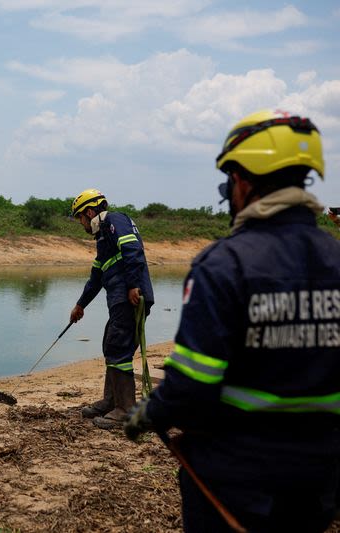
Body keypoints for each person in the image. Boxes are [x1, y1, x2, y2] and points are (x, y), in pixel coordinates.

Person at [125, 110, 340, 532]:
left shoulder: (224, 265)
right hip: (320, 483)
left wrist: (149, 413)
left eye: (230, 180)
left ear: (242, 182)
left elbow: (192, 384)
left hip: (235, 484)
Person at [69, 189, 154, 429]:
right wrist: (80, 305)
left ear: (89, 212)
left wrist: (134, 285)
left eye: (81, 219)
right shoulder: (103, 238)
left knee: (119, 348)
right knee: (112, 344)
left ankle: (125, 410)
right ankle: (111, 402)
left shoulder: (115, 220)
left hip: (130, 298)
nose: (82, 224)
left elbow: (133, 251)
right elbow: (96, 278)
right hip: (119, 300)